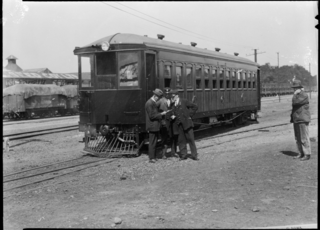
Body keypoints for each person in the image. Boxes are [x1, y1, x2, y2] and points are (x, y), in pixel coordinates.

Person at [168, 89, 199, 161]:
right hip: (179, 125)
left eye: (173, 96)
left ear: (177, 96)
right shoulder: (172, 104)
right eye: (171, 96)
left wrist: (189, 115)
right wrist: (172, 115)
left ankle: (194, 155)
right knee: (181, 141)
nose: (172, 97)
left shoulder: (184, 101)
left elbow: (195, 107)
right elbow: (170, 112)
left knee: (191, 140)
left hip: (187, 124)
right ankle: (183, 155)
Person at [290, 80, 311, 161]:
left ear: (300, 88)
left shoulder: (304, 95)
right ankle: (300, 153)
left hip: (302, 119)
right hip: (296, 119)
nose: (294, 90)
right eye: (294, 88)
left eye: (295, 88)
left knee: (304, 137)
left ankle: (307, 154)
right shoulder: (297, 95)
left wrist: (295, 94)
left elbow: (295, 102)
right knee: (297, 137)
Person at [145, 88, 168, 163]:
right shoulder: (149, 103)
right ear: (155, 96)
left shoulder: (153, 102)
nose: (159, 99)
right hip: (152, 126)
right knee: (152, 142)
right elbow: (152, 116)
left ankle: (153, 157)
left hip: (154, 125)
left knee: (154, 142)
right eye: (159, 97)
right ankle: (151, 158)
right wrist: (161, 114)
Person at [156, 87, 178, 158]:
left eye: (169, 93)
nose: (168, 95)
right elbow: (156, 111)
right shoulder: (160, 101)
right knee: (164, 138)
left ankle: (173, 152)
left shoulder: (172, 100)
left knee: (173, 137)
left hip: (172, 121)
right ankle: (164, 154)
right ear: (164, 94)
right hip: (164, 122)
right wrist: (161, 118)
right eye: (166, 93)